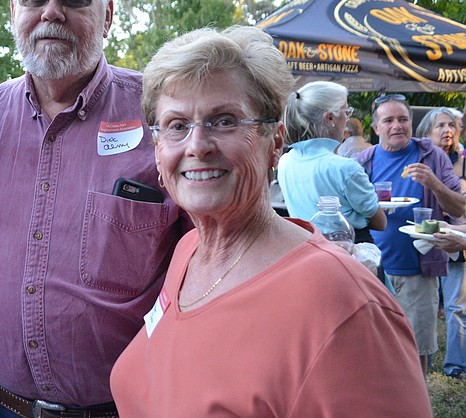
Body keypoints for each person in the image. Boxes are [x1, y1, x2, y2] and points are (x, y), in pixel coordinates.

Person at [110, 26, 431, 417]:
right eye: (177, 125)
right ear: (158, 150)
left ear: (275, 142)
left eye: (224, 121)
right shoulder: (187, 251)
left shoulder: (344, 304)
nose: (197, 145)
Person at [0, 0, 184, 417]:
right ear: (14, 12)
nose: (52, 11)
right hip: (0, 407)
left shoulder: (160, 113)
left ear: (107, 15)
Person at [356, 94, 465, 376]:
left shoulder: (431, 156)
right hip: (373, 272)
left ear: (411, 123)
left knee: (417, 351)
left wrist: (435, 184)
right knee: (376, 350)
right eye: (388, 120)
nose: (397, 126)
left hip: (418, 270)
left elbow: (459, 207)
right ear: (376, 127)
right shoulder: (363, 161)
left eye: (403, 119)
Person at [278, 81, 386, 244]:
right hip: (349, 251)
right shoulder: (345, 168)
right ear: (330, 118)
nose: (348, 118)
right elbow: (381, 223)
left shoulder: (285, 161)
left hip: (305, 249)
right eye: (346, 112)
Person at [416, 106, 466, 379]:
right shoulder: (416, 159)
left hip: (457, 237)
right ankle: (426, 359)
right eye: (441, 126)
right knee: (426, 304)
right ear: (426, 132)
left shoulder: (463, 159)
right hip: (426, 240)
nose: (448, 131)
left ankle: (455, 366)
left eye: (452, 126)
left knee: (456, 305)